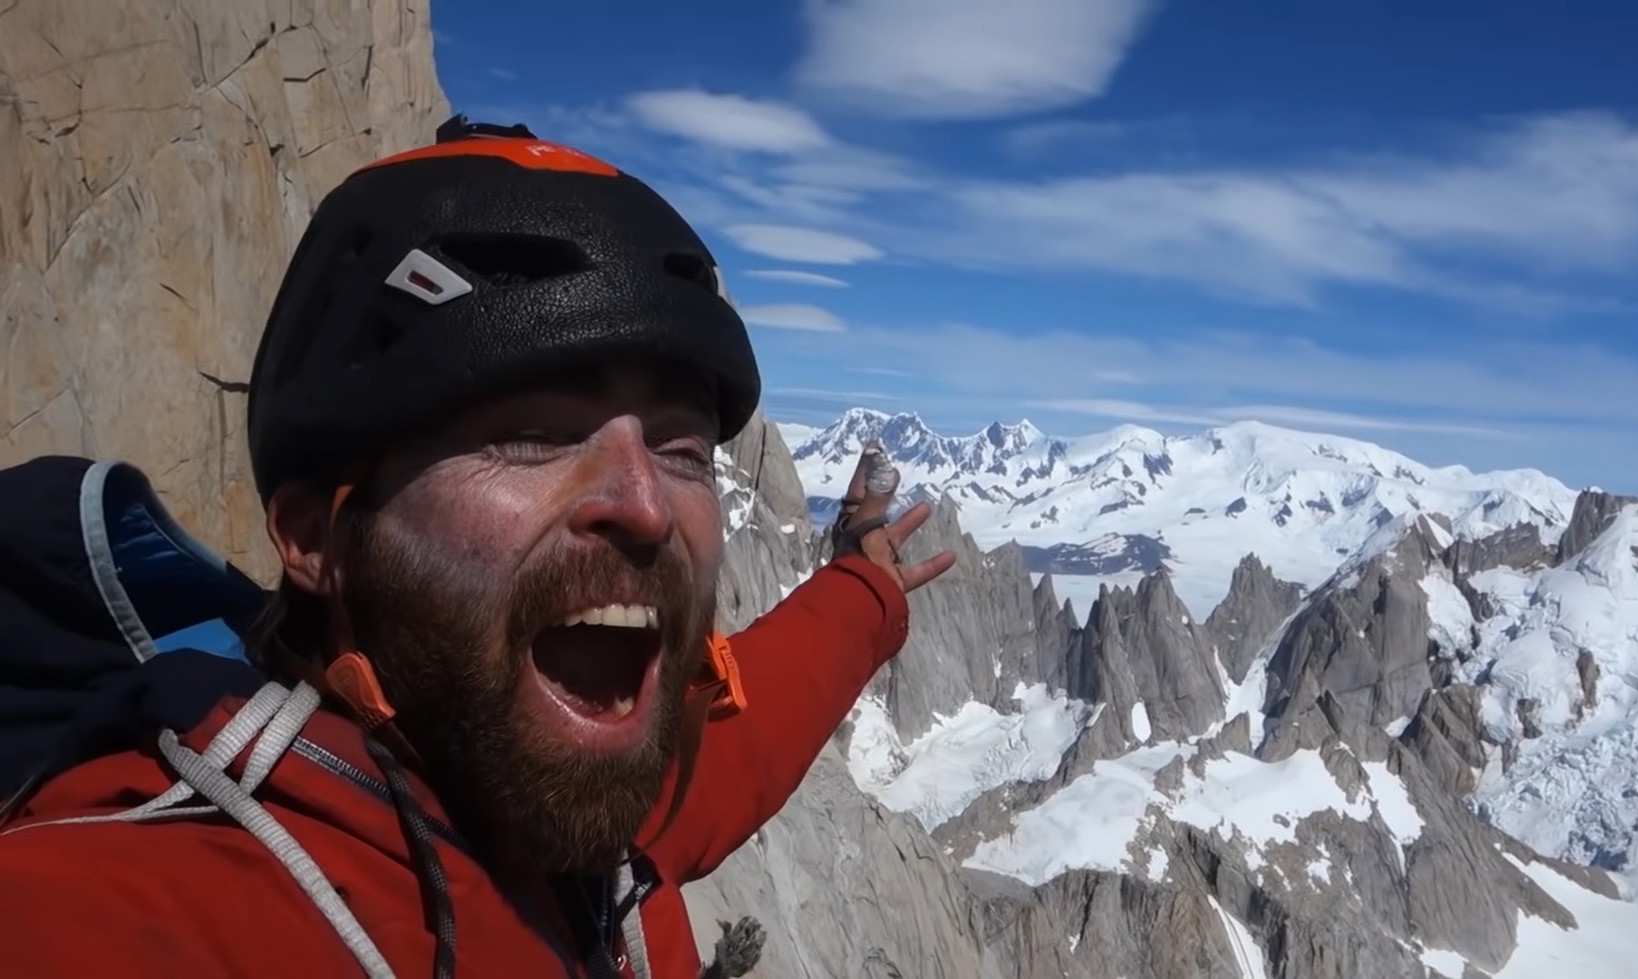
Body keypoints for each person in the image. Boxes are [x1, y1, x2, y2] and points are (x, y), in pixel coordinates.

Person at [0, 116, 955, 978]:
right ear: (311, 536)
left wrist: (864, 595)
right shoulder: (133, 907)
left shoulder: (543, 789)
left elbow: (724, 754)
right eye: (533, 432)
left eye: (679, 448)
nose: (646, 506)